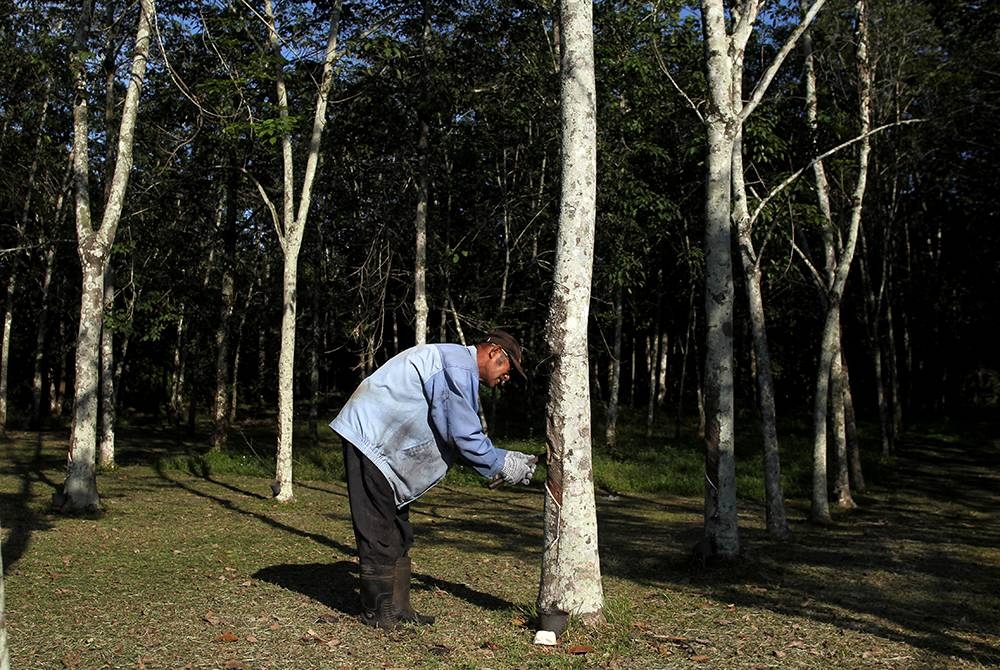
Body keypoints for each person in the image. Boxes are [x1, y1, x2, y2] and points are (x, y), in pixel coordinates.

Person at [329, 329, 538, 630]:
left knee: (398, 530)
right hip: (370, 440)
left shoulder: (458, 369)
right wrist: (500, 463)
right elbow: (462, 435)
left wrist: (503, 457)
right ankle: (377, 613)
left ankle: (398, 607)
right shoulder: (455, 366)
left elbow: (456, 432)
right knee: (378, 527)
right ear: (493, 352)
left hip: (385, 448)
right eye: (508, 368)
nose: (507, 378)